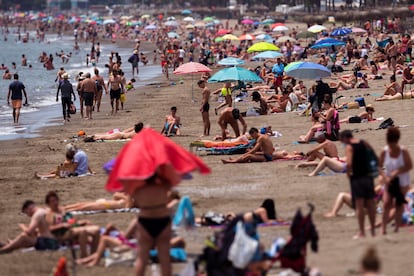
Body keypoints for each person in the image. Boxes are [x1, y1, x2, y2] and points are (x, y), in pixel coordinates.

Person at [132, 174, 174, 276]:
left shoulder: (138, 189)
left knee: (142, 258)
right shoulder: (163, 186)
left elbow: (135, 203)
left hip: (145, 220)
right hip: (162, 219)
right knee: (165, 259)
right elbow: (170, 186)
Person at [340, 130, 377, 239]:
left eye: (342, 141)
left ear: (345, 138)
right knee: (371, 204)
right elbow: (373, 154)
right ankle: (373, 230)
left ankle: (362, 232)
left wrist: (348, 173)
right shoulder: (363, 142)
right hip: (368, 176)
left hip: (357, 178)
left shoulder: (349, 147)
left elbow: (349, 163)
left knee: (359, 205)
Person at [44, 191, 100, 258]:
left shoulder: (61, 209)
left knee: (95, 229)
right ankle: (84, 255)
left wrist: (77, 222)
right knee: (83, 231)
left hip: (71, 228)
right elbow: (49, 229)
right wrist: (62, 225)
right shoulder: (50, 214)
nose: (55, 202)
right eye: (52, 201)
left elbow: (70, 221)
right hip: (61, 234)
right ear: (48, 204)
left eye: (56, 200)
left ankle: (93, 254)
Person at [379, 127, 412, 234]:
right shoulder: (384, 151)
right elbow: (378, 166)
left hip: (402, 181)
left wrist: (396, 172)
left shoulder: (403, 151)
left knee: (399, 204)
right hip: (389, 181)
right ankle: (383, 228)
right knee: (386, 203)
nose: (391, 146)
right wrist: (385, 177)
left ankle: (397, 228)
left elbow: (409, 166)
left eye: (392, 144)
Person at [65, 192, 132, 212]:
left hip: (106, 205)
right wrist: (126, 197)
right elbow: (115, 195)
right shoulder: (127, 198)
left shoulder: (130, 201)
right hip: (105, 203)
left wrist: (128, 197)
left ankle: (65, 211)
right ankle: (63, 208)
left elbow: (127, 208)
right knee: (80, 204)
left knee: (81, 208)